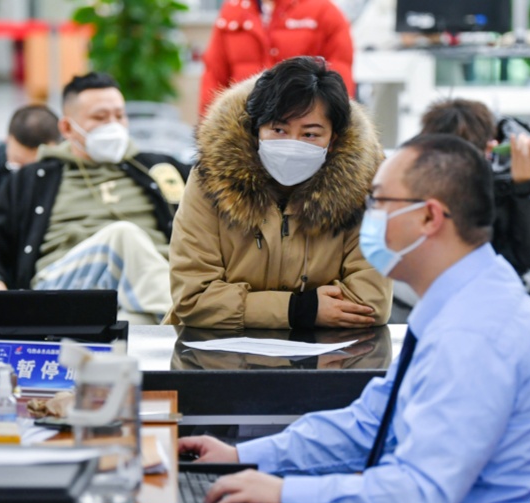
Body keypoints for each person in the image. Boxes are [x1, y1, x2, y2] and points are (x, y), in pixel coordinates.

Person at [179, 134, 530, 503]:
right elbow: (371, 423)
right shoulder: (462, 296)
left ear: (429, 216)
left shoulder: (474, 332)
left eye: (378, 201)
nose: (366, 213)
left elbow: (417, 497)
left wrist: (285, 492)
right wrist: (242, 455)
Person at [165, 56, 392, 329]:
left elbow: (370, 302)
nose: (292, 144)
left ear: (333, 141)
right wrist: (302, 309)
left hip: (327, 360)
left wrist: (243, 306)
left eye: (310, 134)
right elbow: (193, 299)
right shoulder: (210, 180)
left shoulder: (363, 186)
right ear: (255, 130)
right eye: (278, 129)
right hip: (209, 352)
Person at [0, 72, 191, 324]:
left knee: (133, 323)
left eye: (119, 116)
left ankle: (168, 326)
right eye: (100, 118)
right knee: (124, 235)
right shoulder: (34, 178)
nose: (113, 125)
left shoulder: (159, 169)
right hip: (64, 286)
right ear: (67, 128)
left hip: (148, 285)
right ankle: (193, 323)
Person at [420, 98, 530, 275]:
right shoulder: (420, 169)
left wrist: (525, 187)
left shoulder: (529, 167)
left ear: (489, 150)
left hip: (506, 285)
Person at [199, 0, 354, 116]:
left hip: (300, 127)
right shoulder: (232, 13)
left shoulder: (324, 12)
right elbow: (214, 78)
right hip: (244, 129)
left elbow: (339, 80)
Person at [0, 104, 60, 213]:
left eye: (37, 166)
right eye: (18, 163)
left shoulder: (70, 167)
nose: (27, 174)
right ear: (6, 141)